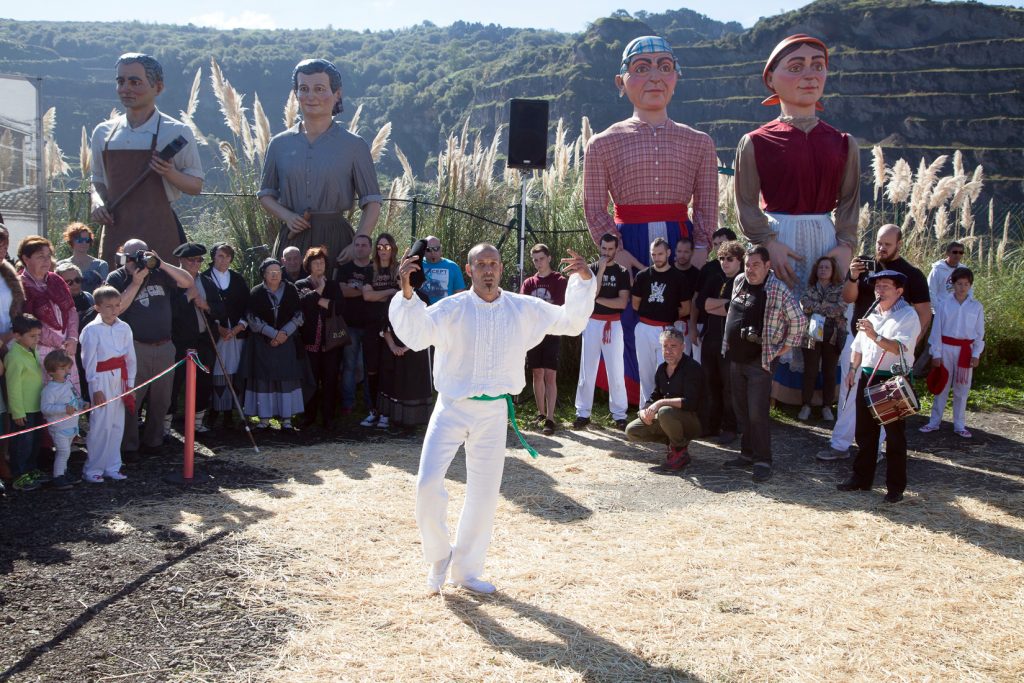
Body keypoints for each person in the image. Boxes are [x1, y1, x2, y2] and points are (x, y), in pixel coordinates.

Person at [391, 243, 595, 594]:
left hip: (494, 412)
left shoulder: (522, 308)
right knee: (427, 483)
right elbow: (416, 334)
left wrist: (584, 280)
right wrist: (407, 294)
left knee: (483, 495)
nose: (488, 270)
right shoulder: (452, 308)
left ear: (501, 269)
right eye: (481, 264)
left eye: (494, 263)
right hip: (452, 406)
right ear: (469, 270)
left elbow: (570, 321)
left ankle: (466, 572)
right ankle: (439, 555)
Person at [583, 35, 718, 404]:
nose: (655, 77)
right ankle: (634, 398)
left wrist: (701, 251)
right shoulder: (602, 143)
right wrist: (619, 255)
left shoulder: (700, 142)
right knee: (630, 317)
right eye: (642, 68)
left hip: (681, 242)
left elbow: (706, 205)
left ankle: (682, 398)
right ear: (621, 81)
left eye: (665, 67)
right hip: (627, 242)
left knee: (681, 316)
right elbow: (594, 208)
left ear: (676, 77)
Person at [734, 34, 860, 405]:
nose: (809, 74)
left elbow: (849, 201)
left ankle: (821, 392)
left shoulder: (842, 142)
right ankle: (776, 389)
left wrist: (845, 245)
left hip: (824, 237)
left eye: (817, 66)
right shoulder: (756, 141)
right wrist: (767, 243)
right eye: (796, 66)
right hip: (779, 235)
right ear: (771, 78)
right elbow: (746, 203)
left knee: (824, 311)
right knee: (779, 311)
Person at [818, 225, 930, 460]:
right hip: (858, 339)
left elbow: (924, 313)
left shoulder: (912, 274)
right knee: (848, 391)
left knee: (882, 398)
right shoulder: (864, 265)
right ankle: (840, 444)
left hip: (889, 346)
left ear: (899, 244)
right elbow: (848, 297)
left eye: (887, 244)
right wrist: (852, 276)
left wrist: (907, 347)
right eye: (879, 243)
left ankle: (874, 450)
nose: (881, 248)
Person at [258, 58, 382, 266]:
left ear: (337, 94)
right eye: (303, 89)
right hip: (292, 243)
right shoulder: (278, 144)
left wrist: (357, 243)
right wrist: (287, 216)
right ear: (295, 94)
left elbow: (373, 201)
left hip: (336, 242)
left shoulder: (354, 145)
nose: (311, 96)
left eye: (319, 89)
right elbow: (265, 194)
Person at [90, 53, 204, 266]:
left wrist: (169, 172)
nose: (126, 88)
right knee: (114, 285)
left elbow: (196, 186)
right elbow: (96, 179)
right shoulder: (103, 133)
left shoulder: (177, 132)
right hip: (115, 229)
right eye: (121, 81)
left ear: (158, 87)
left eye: (135, 82)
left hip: (159, 231)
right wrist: (97, 203)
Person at [721, 246, 806, 482]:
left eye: (756, 265)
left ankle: (763, 460)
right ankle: (747, 454)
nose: (750, 269)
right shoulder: (739, 280)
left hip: (760, 361)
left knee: (757, 413)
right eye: (748, 264)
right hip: (736, 358)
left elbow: (799, 321)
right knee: (742, 411)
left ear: (768, 266)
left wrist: (785, 348)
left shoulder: (777, 289)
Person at [837, 270, 921, 503]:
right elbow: (858, 346)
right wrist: (852, 370)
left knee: (894, 436)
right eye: (877, 287)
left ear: (899, 291)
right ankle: (861, 479)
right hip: (867, 376)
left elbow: (899, 348)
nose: (879, 291)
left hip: (892, 379)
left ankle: (895, 488)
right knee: (865, 432)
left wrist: (874, 334)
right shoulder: (872, 313)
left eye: (885, 286)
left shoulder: (908, 315)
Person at [106, 238, 194, 455]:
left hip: (164, 345)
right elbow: (116, 309)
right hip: (135, 347)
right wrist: (135, 283)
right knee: (131, 399)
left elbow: (188, 281)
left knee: (161, 400)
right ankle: (129, 446)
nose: (138, 260)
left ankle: (154, 442)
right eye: (134, 256)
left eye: (143, 254)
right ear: (124, 257)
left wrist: (161, 263)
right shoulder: (117, 277)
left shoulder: (159, 273)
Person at [240, 259, 308, 431]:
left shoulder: (290, 289)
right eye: (270, 272)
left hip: (286, 341)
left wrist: (283, 334)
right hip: (264, 343)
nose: (274, 274)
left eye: (277, 271)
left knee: (286, 379)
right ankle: (264, 419)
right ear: (264, 274)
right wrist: (273, 334)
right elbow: (252, 318)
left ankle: (287, 419)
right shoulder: (256, 292)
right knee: (264, 380)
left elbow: (299, 315)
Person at [573, 233, 630, 430]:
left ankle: (619, 414)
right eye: (603, 248)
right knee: (587, 369)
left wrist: (598, 300)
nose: (606, 252)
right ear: (600, 247)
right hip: (592, 323)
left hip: (613, 324)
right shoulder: (591, 269)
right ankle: (583, 413)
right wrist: (601, 271)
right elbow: (591, 294)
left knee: (616, 369)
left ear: (616, 249)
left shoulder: (622, 272)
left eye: (610, 249)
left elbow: (621, 303)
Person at [625, 327, 703, 472]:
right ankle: (673, 442)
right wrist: (644, 411)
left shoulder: (692, 368)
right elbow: (655, 395)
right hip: (669, 418)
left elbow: (691, 402)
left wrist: (661, 403)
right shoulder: (662, 369)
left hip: (692, 422)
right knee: (632, 430)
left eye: (673, 346)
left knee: (665, 411)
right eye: (665, 346)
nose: (668, 350)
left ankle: (679, 451)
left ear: (683, 347)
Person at [80, 286, 136, 483]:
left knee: (116, 424)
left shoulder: (124, 327)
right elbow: (89, 362)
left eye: (117, 305)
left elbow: (130, 357)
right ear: (97, 307)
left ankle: (112, 466)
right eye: (108, 306)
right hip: (101, 378)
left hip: (120, 378)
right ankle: (92, 469)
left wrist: (130, 385)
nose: (114, 310)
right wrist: (95, 388)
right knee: (100, 425)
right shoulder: (91, 330)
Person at [921, 267, 984, 438]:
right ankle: (934, 422)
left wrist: (976, 354)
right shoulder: (944, 304)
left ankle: (959, 425)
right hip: (946, 348)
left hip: (965, 351)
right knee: (942, 385)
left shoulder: (976, 307)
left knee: (962, 388)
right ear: (953, 284)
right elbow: (936, 331)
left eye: (966, 284)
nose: (962, 287)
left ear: (970, 285)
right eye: (959, 284)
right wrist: (936, 353)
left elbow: (979, 333)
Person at [695, 240, 744, 444]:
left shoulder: (744, 281)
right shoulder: (715, 278)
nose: (725, 262)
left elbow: (735, 310)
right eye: (722, 258)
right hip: (711, 338)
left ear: (739, 260)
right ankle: (711, 425)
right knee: (710, 383)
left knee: (729, 386)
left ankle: (731, 427)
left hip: (731, 342)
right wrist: (722, 305)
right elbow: (701, 303)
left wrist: (716, 306)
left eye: (729, 259)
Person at [631, 238, 688, 408]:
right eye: (653, 254)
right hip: (643, 328)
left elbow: (686, 308)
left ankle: (663, 411)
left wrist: (666, 313)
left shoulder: (678, 278)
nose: (657, 258)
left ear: (668, 253)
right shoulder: (642, 276)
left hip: (666, 329)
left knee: (665, 370)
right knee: (645, 371)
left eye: (660, 254)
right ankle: (645, 410)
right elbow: (635, 304)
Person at [19, 235, 80, 391]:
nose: (46, 261)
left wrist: (72, 338)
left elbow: (71, 309)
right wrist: (59, 341)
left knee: (70, 396)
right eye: (40, 256)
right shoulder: (21, 285)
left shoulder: (56, 280)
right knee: (50, 396)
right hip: (41, 350)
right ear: (26, 258)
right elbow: (27, 321)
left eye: (48, 256)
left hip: (67, 346)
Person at [199, 243, 249, 428]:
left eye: (227, 257)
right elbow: (201, 308)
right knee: (217, 370)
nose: (224, 260)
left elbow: (247, 305)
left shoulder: (237, 279)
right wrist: (218, 328)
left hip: (235, 333)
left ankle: (230, 412)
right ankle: (213, 410)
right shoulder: (204, 278)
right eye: (220, 256)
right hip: (214, 333)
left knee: (233, 369)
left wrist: (239, 327)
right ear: (213, 257)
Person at [168, 242, 215, 434]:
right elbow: (169, 312)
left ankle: (197, 422)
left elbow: (220, 310)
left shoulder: (207, 282)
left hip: (203, 341)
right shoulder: (171, 283)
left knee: (204, 382)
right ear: (181, 260)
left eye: (199, 260)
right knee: (174, 383)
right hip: (179, 341)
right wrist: (187, 297)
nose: (196, 263)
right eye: (191, 260)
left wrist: (206, 306)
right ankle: (165, 425)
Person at [521, 244, 568, 435]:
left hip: (551, 333)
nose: (538, 263)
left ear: (549, 258)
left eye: (541, 258)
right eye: (535, 260)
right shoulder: (529, 283)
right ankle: (540, 413)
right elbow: (524, 308)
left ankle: (550, 417)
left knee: (550, 374)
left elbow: (559, 307)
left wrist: (540, 313)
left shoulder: (559, 281)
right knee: (537, 373)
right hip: (533, 335)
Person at [295, 246, 343, 430]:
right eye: (316, 263)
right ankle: (309, 416)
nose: (319, 266)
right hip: (309, 342)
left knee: (330, 380)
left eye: (322, 262)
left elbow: (339, 308)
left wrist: (316, 299)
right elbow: (303, 305)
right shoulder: (301, 284)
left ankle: (328, 417)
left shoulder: (333, 285)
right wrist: (320, 293)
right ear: (309, 265)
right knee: (310, 381)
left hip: (331, 342)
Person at [797, 256, 846, 422]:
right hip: (811, 332)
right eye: (820, 267)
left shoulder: (841, 288)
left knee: (829, 372)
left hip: (833, 334)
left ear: (833, 271)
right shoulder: (810, 288)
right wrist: (826, 308)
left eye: (827, 267)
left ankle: (827, 406)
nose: (823, 270)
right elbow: (804, 305)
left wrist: (817, 307)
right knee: (810, 370)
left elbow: (840, 308)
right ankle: (806, 405)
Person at [360, 233, 400, 428]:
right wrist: (389, 292)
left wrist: (380, 294)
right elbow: (367, 296)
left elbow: (402, 294)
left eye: (387, 246)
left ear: (393, 248)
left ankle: (387, 413)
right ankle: (373, 410)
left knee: (389, 369)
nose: (383, 250)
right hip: (371, 325)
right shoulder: (370, 269)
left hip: (393, 326)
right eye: (380, 246)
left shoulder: (398, 269)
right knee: (372, 369)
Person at [377, 290, 434, 428]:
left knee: (414, 383)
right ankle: (388, 416)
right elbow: (385, 326)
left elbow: (427, 327)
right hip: (393, 350)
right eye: (401, 279)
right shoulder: (393, 299)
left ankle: (414, 420)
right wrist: (393, 347)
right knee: (391, 380)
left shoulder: (423, 298)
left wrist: (407, 347)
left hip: (417, 350)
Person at [336, 234, 374, 415]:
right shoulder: (345, 268)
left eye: (364, 245)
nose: (360, 248)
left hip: (371, 325)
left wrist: (357, 289)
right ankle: (348, 403)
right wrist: (366, 291)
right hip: (349, 325)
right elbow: (343, 291)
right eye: (357, 245)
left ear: (370, 248)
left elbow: (379, 291)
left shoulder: (376, 268)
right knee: (349, 366)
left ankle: (370, 404)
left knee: (369, 367)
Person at [6, 315, 45, 491]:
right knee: (22, 444)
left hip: (36, 406)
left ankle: (31, 469)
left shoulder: (32, 350)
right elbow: (12, 387)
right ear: (17, 335)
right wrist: (17, 412)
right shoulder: (14, 356)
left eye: (38, 335)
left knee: (35, 441)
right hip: (23, 410)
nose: (37, 339)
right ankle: (19, 475)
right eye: (32, 336)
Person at [41, 349, 88, 490]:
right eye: (62, 368)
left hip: (71, 426)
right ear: (51, 372)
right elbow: (45, 408)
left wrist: (82, 404)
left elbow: (76, 398)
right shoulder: (49, 390)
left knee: (66, 452)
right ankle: (58, 476)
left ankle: (64, 472)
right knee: (63, 452)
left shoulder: (68, 384)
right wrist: (63, 408)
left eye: (67, 367)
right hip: (59, 428)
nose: (66, 371)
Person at [690, 227, 737, 361]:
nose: (718, 248)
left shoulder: (744, 268)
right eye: (715, 244)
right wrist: (693, 327)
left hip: (734, 334)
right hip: (708, 330)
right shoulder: (708, 269)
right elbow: (697, 300)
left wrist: (726, 307)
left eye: (721, 244)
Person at [57, 223, 108, 293]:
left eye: (87, 240)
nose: (84, 243)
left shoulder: (101, 265)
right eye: (80, 240)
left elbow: (104, 292)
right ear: (71, 241)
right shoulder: (60, 265)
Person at [672, 237, 701, 356]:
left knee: (684, 360)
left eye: (686, 252)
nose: (682, 255)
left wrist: (693, 327)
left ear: (692, 252)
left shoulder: (697, 275)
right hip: (666, 323)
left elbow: (696, 303)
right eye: (679, 251)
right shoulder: (667, 271)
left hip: (688, 323)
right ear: (675, 251)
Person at [420, 235, 466, 304]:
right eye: (428, 250)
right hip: (421, 309)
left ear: (441, 249)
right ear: (423, 251)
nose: (433, 253)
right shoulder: (417, 265)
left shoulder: (452, 266)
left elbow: (460, 294)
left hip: (446, 309)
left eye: (436, 248)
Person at [927, 241, 965, 306]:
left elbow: (969, 290)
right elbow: (930, 290)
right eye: (955, 252)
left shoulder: (964, 270)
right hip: (941, 307)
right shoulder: (937, 269)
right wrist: (937, 307)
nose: (957, 255)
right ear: (947, 253)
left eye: (960, 253)